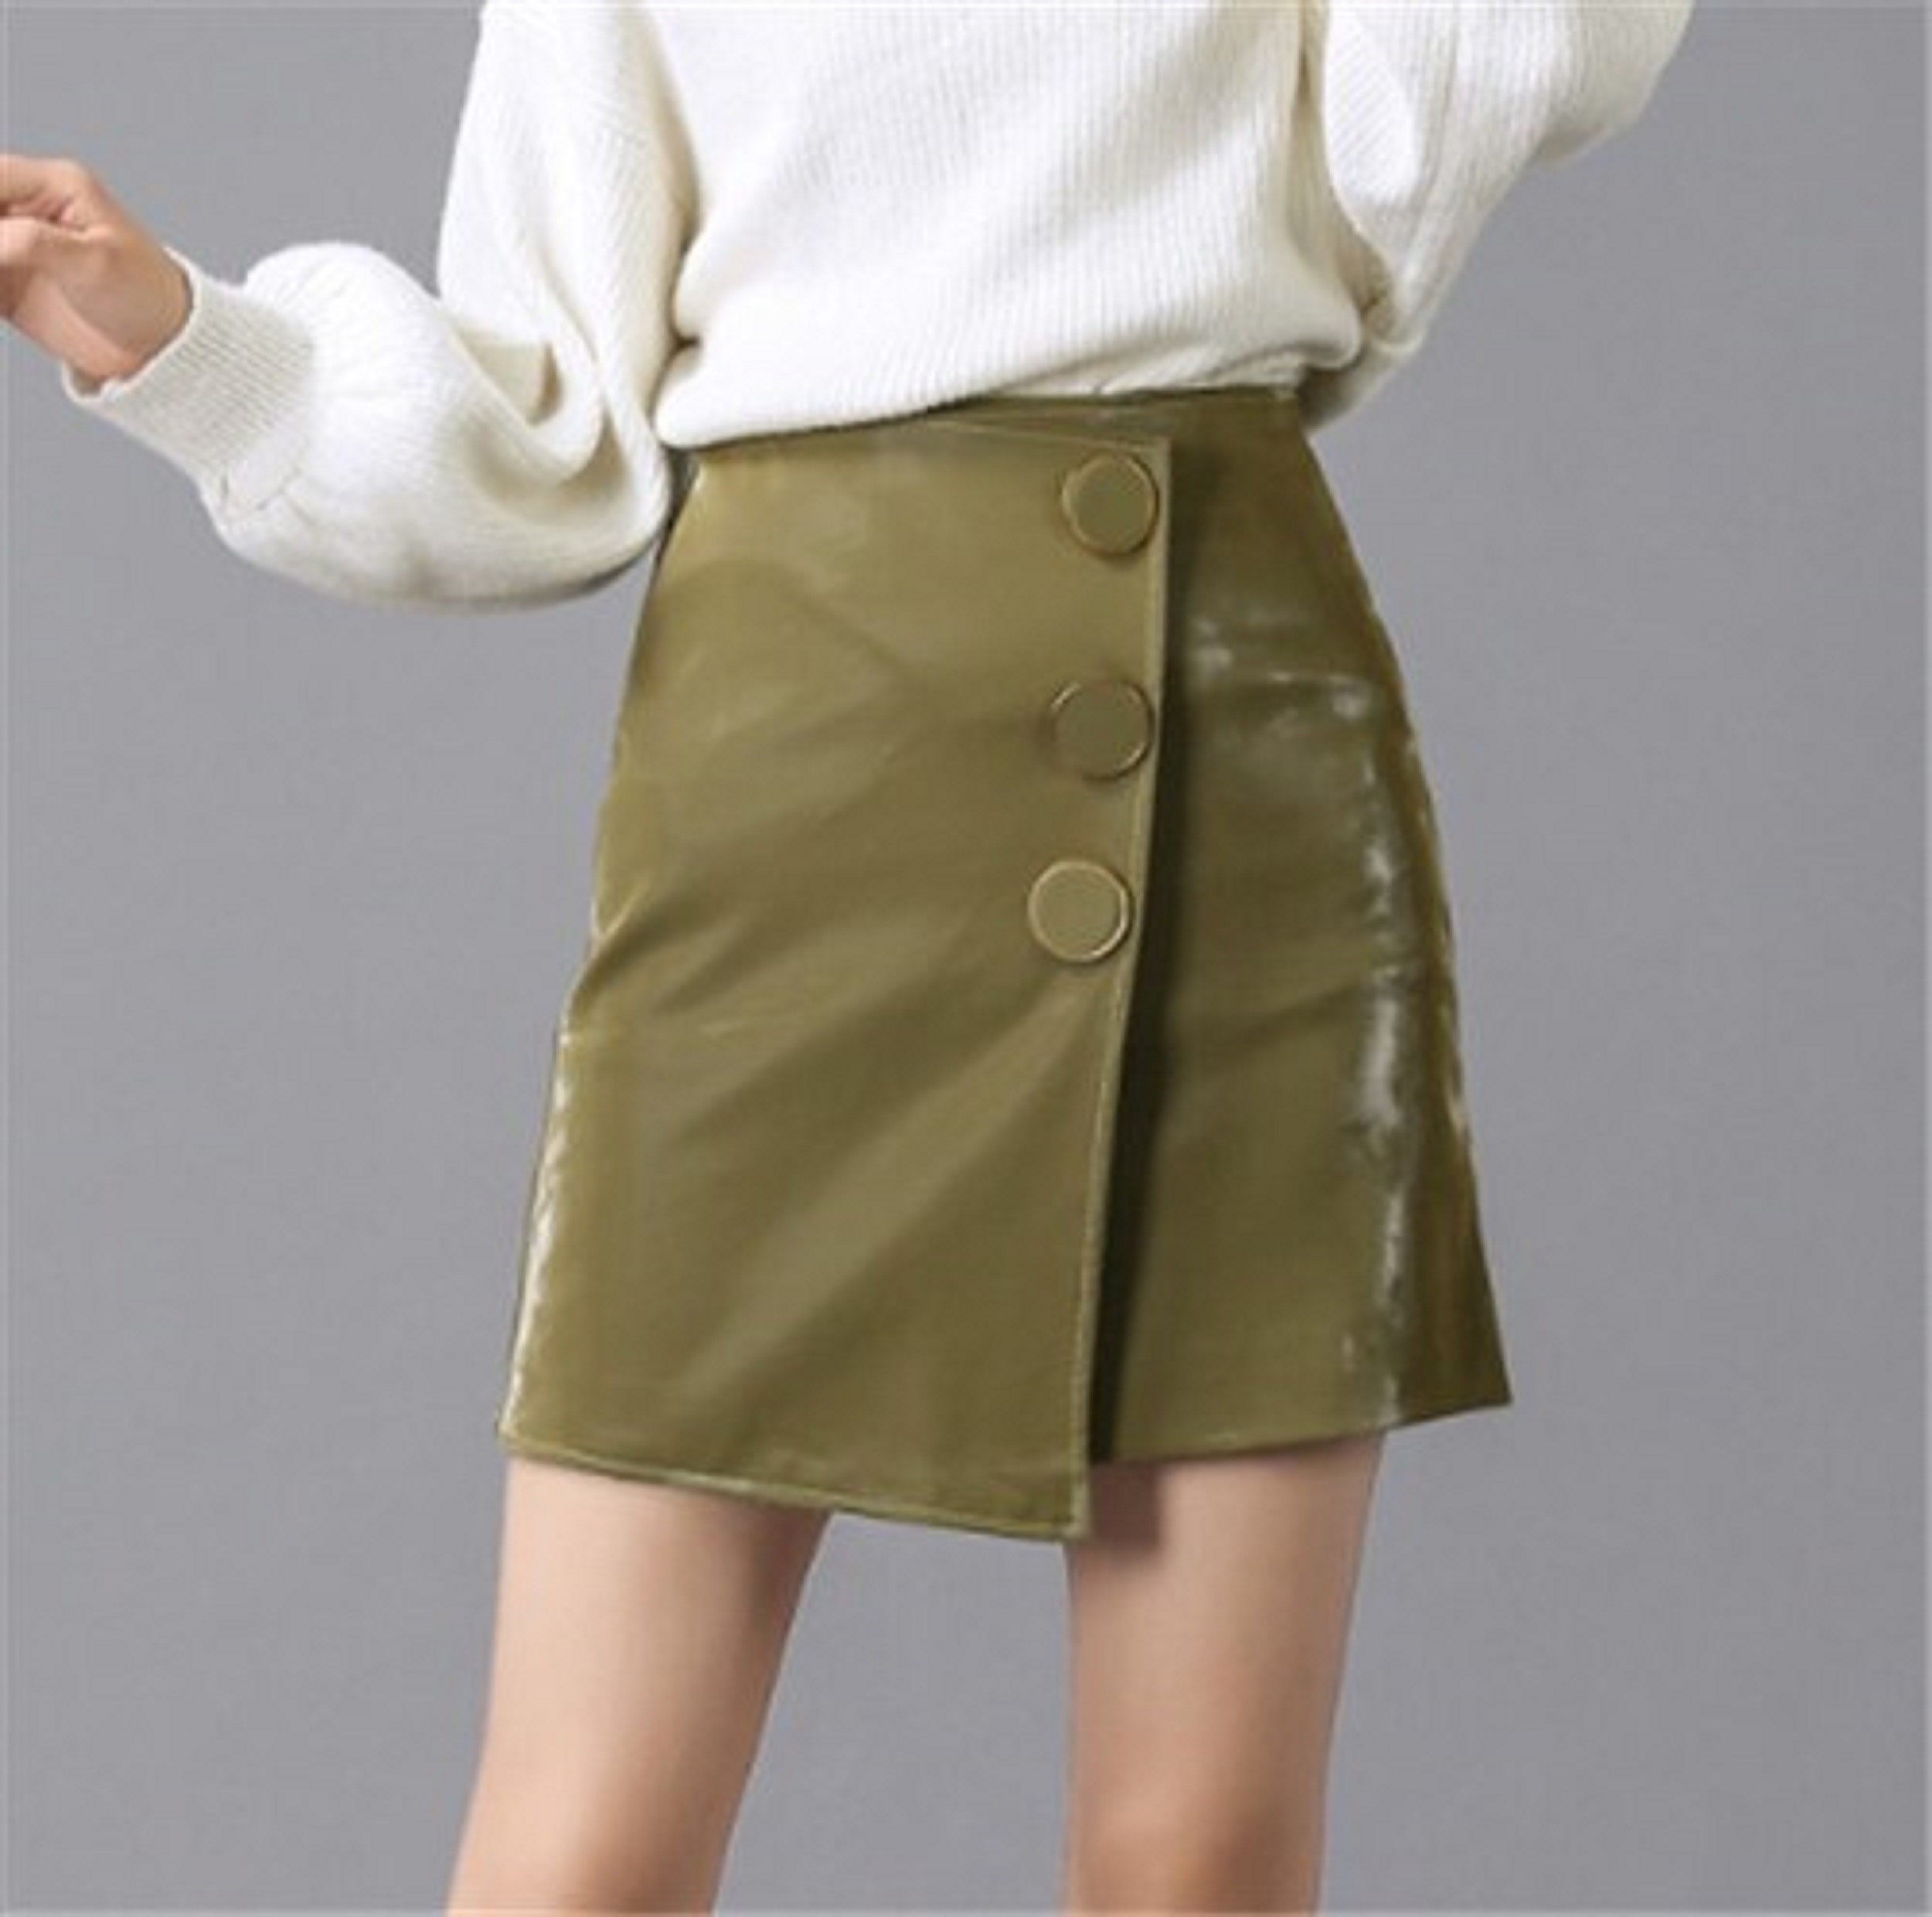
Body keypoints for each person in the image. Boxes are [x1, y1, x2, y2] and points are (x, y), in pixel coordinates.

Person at [4, 3, 1695, 1908]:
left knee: (1198, 1859)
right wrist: (196, 351)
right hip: (791, 794)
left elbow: (1470, 89)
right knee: (580, 1856)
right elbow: (543, 423)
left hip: (1235, 752)